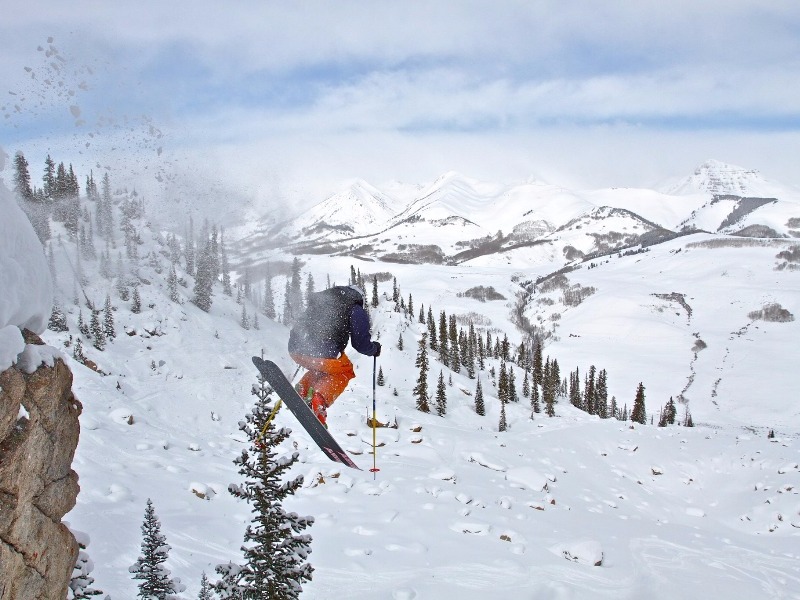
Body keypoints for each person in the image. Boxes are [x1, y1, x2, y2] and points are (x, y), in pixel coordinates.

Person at [288, 284, 381, 426]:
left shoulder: (322, 300)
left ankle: (303, 389)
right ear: (358, 297)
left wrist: (301, 345)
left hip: (296, 350)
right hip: (323, 352)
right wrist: (374, 349)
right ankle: (319, 401)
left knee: (323, 369)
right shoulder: (354, 307)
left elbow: (299, 324)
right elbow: (360, 344)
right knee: (345, 371)